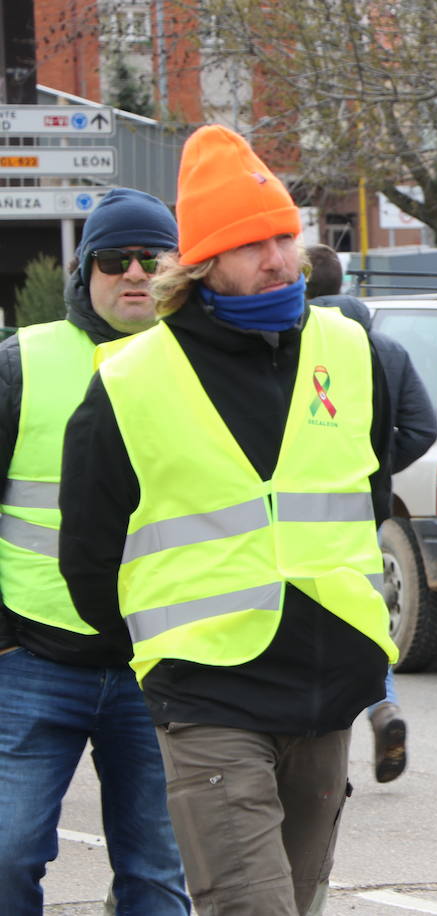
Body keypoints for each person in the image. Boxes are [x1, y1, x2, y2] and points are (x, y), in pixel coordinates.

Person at [58, 125, 397, 914]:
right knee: (254, 907)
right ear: (206, 262)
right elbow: (88, 554)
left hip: (326, 682)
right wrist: (159, 656)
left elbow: (369, 494)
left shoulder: (348, 350)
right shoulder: (131, 382)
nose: (279, 259)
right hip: (207, 695)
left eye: (285, 236)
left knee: (297, 901)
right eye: (253, 244)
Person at [0, 189, 191, 914]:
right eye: (116, 259)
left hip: (161, 667)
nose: (136, 272)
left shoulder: (205, 369)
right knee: (7, 858)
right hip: (34, 663)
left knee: (156, 874)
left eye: (155, 257)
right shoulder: (23, 363)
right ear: (86, 272)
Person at [306, 244, 437, 783]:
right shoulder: (383, 347)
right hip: (359, 514)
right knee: (362, 616)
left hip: (281, 512)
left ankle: (307, 747)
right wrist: (375, 472)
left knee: (294, 626)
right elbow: (422, 429)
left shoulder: (285, 344)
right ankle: (382, 706)